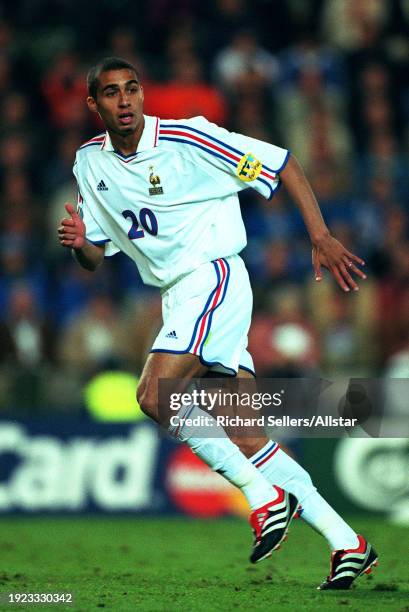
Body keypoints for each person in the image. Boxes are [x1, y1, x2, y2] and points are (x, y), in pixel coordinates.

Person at [58, 57, 378, 589]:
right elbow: (97, 255)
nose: (125, 100)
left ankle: (261, 498)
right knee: (247, 435)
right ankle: (348, 542)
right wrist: (79, 246)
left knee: (154, 395)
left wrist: (319, 234)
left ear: (143, 93)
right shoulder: (90, 163)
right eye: (112, 93)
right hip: (176, 295)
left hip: (213, 277)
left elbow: (281, 163)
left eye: (132, 89)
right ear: (94, 105)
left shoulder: (189, 140)